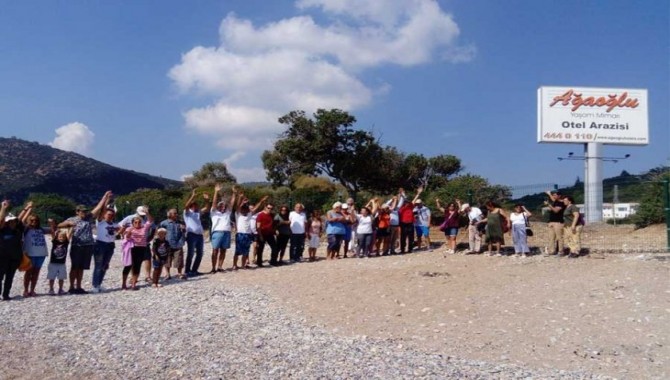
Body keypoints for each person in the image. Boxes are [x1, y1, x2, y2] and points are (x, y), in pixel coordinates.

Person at [58, 191, 111, 294]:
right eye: (81, 211)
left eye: (85, 211)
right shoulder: (72, 219)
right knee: (74, 267)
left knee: (81, 267)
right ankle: (71, 287)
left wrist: (105, 197)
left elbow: (98, 207)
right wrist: (68, 223)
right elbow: (59, 225)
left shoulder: (88, 218)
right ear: (77, 212)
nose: (84, 213)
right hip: (77, 246)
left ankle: (79, 286)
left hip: (88, 246)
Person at [0, 200, 29, 300]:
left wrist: (28, 208)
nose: (12, 222)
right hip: (2, 257)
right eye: (10, 221)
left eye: (14, 221)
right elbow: (1, 219)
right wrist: (3, 208)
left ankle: (6, 294)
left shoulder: (18, 229)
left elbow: (21, 218)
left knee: (10, 277)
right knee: (0, 276)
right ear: (7, 222)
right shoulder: (2, 230)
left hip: (15, 257)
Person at [21, 202, 49, 297]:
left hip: (41, 254)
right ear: (29, 221)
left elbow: (54, 229)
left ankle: (32, 290)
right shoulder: (26, 229)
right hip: (30, 254)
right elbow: (21, 220)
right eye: (32, 220)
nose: (34, 222)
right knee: (28, 273)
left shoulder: (41, 229)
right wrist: (28, 208)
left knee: (36, 273)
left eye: (36, 220)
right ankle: (25, 290)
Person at [120, 205, 153, 283]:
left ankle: (138, 280)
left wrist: (147, 213)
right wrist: (124, 232)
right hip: (132, 247)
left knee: (143, 262)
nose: (137, 223)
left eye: (139, 222)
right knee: (129, 264)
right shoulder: (129, 220)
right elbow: (122, 226)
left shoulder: (144, 226)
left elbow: (151, 222)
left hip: (143, 247)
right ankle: (127, 281)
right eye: (135, 222)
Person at [232, 193, 266, 270]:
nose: (244, 210)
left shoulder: (249, 214)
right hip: (240, 234)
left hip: (248, 234)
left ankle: (243, 265)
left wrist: (261, 201)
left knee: (246, 251)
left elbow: (256, 208)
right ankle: (234, 265)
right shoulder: (238, 214)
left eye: (246, 209)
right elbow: (237, 206)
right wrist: (240, 198)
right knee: (237, 251)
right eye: (243, 209)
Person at [92, 207, 121, 293]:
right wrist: (106, 199)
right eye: (108, 214)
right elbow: (100, 212)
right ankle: (95, 285)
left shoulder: (114, 224)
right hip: (100, 244)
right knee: (98, 266)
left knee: (105, 266)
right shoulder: (100, 222)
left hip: (110, 245)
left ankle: (99, 284)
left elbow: (121, 229)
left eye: (112, 215)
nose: (110, 216)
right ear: (104, 215)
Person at [183, 189, 210, 276]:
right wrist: (193, 196)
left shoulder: (198, 212)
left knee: (200, 253)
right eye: (194, 205)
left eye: (196, 205)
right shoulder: (187, 213)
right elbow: (186, 205)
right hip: (191, 235)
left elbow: (207, 208)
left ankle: (194, 270)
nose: (196, 207)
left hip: (199, 236)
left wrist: (206, 200)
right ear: (191, 206)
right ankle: (187, 271)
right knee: (190, 253)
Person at [209, 184, 235, 273]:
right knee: (215, 250)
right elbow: (214, 203)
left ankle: (220, 267)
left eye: (224, 206)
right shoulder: (214, 213)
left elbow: (231, 204)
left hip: (227, 233)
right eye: (221, 206)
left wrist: (234, 194)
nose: (223, 207)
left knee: (223, 250)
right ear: (218, 207)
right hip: (217, 232)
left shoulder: (227, 213)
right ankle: (213, 268)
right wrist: (216, 192)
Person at [159, 209, 186, 280]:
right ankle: (168, 274)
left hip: (178, 243)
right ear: (169, 214)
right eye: (174, 213)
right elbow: (159, 232)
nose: (176, 215)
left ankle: (179, 273)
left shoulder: (180, 222)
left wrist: (183, 229)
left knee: (179, 259)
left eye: (176, 213)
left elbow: (184, 231)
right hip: (167, 244)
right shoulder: (164, 223)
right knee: (167, 259)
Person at [46, 222, 69, 296]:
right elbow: (52, 233)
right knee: (51, 277)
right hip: (53, 263)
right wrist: (51, 226)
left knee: (61, 278)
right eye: (60, 237)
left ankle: (60, 289)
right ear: (57, 237)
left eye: (63, 237)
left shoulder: (66, 243)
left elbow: (70, 234)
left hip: (62, 263)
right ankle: (51, 289)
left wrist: (71, 227)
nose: (61, 238)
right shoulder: (55, 242)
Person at [398, 188, 422, 253]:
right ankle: (402, 250)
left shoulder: (410, 206)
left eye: (407, 202)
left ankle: (410, 249)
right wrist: (402, 194)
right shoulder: (400, 208)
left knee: (411, 237)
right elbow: (402, 199)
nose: (407, 203)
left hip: (410, 223)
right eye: (406, 202)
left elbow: (414, 200)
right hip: (403, 223)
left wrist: (418, 193)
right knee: (403, 237)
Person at [255, 201, 278, 266]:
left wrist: (275, 230)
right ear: (265, 207)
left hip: (270, 234)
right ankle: (259, 262)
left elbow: (273, 224)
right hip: (262, 233)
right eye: (268, 208)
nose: (270, 209)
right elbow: (258, 226)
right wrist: (260, 235)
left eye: (271, 208)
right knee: (260, 248)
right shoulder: (260, 215)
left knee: (274, 248)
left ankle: (273, 261)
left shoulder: (272, 215)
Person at [544, 190, 566, 256]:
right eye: (553, 195)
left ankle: (561, 251)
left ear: (559, 196)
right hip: (551, 222)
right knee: (551, 237)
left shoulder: (561, 203)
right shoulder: (555, 202)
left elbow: (556, 210)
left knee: (559, 237)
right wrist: (549, 194)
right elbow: (553, 199)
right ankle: (552, 251)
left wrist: (548, 205)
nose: (553, 196)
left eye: (555, 195)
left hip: (558, 222)